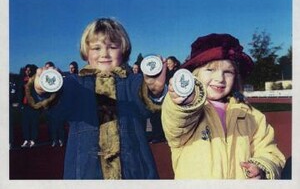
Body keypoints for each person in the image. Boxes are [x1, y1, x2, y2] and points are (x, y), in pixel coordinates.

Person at [32, 18, 167, 179]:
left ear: (123, 51)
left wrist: (154, 89)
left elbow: (146, 100)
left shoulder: (132, 81)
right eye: (96, 48)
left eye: (112, 47)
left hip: (135, 171)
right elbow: (59, 104)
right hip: (86, 172)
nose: (104, 53)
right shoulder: (74, 84)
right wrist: (45, 89)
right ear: (86, 53)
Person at [161, 33, 285, 179]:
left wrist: (262, 167)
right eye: (210, 70)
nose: (220, 78)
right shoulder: (189, 111)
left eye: (227, 72)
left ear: (236, 76)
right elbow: (176, 122)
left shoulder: (252, 116)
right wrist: (185, 102)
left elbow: (269, 150)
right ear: (195, 74)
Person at [19, 64, 39, 148]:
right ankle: (26, 139)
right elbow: (20, 93)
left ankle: (33, 140)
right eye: (26, 70)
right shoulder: (23, 80)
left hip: (33, 105)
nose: (27, 71)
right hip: (25, 105)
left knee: (33, 123)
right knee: (25, 123)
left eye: (29, 70)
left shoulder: (35, 81)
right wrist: (21, 104)